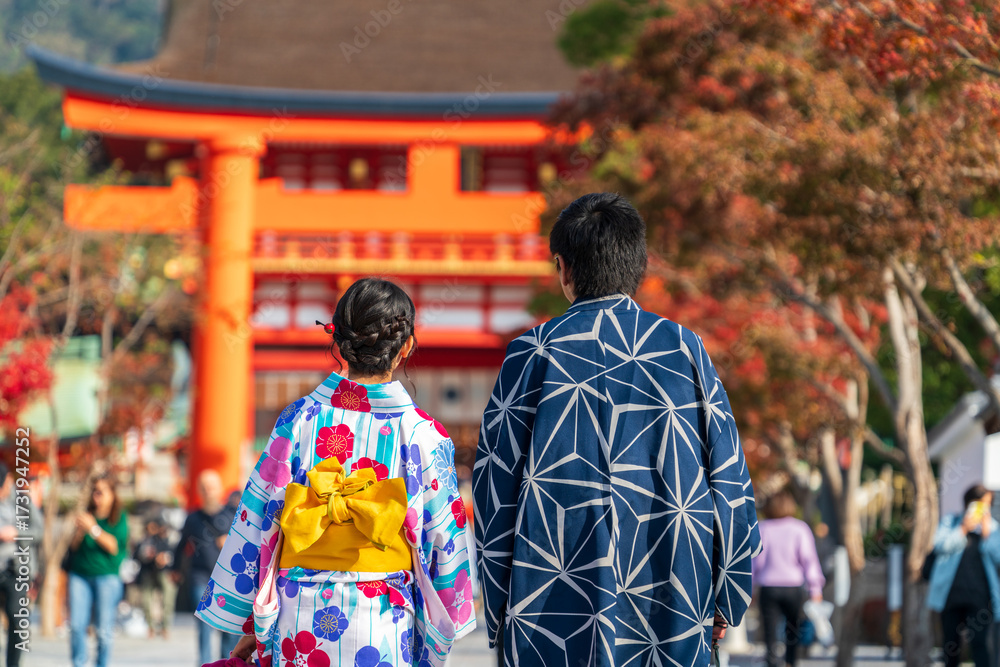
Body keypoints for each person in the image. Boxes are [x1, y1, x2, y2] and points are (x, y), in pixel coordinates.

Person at [474, 192, 761, 666]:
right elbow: (729, 478)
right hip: (671, 590)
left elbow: (494, 489)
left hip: (550, 599)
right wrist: (728, 590)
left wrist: (502, 606)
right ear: (639, 264)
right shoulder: (682, 347)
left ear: (563, 267)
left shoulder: (531, 353)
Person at [196, 277, 476, 665]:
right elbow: (444, 535)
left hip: (300, 618)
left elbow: (258, 517)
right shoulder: (424, 435)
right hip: (382, 618)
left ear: (340, 342)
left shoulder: (298, 420)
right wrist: (448, 612)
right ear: (406, 346)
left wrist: (250, 621)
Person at [927, 483, 1000, 667]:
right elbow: (940, 546)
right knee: (950, 646)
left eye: (988, 505)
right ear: (969, 504)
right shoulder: (951, 522)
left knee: (981, 644)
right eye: (981, 504)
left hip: (981, 599)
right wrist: (962, 529)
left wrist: (987, 536)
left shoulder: (993, 529)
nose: (985, 510)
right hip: (950, 595)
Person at [751, 490, 826, 667]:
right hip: (793, 588)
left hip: (768, 588)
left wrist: (751, 588)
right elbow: (809, 560)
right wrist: (815, 589)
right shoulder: (799, 528)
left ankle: (772, 662)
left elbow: (756, 562)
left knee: (769, 631)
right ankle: (790, 663)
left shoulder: (762, 528)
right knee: (792, 630)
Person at [172, 470, 240, 665]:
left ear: (219, 489)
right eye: (204, 487)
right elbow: (181, 545)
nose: (208, 491)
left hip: (228, 578)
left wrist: (229, 541)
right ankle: (204, 662)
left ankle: (226, 662)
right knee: (203, 623)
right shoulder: (192, 518)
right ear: (199, 491)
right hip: (200, 576)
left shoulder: (232, 515)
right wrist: (174, 569)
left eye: (211, 487)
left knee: (228, 626)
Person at [66, 474, 128, 667]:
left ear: (112, 494)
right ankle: (79, 663)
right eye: (95, 491)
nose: (96, 496)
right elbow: (74, 547)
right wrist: (79, 531)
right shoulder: (87, 515)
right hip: (79, 575)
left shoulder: (118, 518)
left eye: (101, 492)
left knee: (103, 629)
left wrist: (93, 529)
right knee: (76, 625)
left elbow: (114, 546)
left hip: (106, 577)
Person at [0, 463, 42, 667]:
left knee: (17, 619)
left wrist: (17, 534)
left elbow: (39, 532)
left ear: (8, 481)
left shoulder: (22, 501)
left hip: (16, 569)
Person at [133, 514, 177, 638]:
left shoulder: (171, 538)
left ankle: (165, 626)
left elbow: (177, 554)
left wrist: (165, 558)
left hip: (166, 572)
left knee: (168, 600)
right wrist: (149, 556)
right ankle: (150, 626)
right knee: (146, 600)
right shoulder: (148, 539)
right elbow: (137, 555)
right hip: (149, 571)